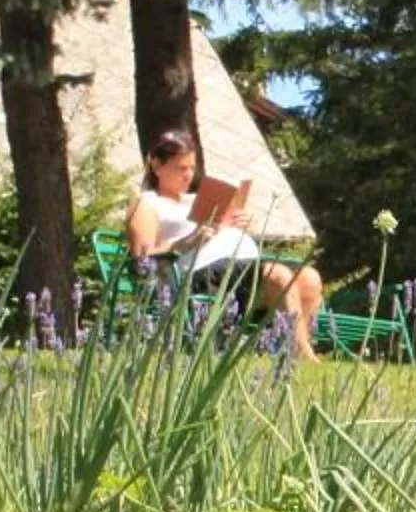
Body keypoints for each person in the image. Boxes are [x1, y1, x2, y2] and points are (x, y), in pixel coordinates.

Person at [125, 128, 327, 360]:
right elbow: (143, 258)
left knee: (309, 278)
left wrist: (242, 225)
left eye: (192, 168)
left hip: (236, 270)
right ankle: (301, 356)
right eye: (181, 168)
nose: (188, 175)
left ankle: (303, 345)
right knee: (278, 274)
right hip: (196, 277)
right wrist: (188, 242)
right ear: (156, 164)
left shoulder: (196, 199)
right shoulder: (147, 204)